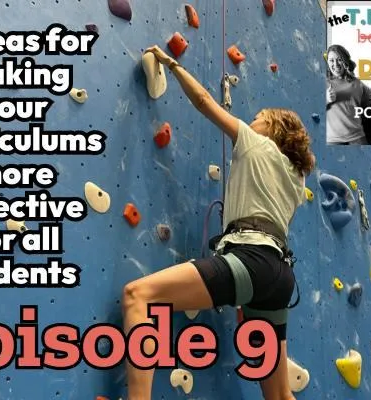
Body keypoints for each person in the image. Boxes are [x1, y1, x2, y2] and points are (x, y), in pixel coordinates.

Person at [121, 44, 315, 400]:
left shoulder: (257, 142)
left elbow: (205, 102)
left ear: (271, 128)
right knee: (279, 395)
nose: (252, 118)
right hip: (279, 276)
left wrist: (173, 65)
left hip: (251, 260)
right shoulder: (297, 178)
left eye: (259, 116)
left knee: (139, 296)